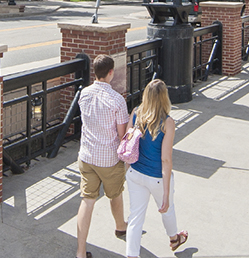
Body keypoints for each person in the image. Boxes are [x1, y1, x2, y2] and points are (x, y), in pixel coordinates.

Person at [124, 79, 186, 257]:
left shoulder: (136, 113)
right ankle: (174, 238)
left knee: (135, 217)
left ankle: (131, 254)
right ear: (164, 98)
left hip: (135, 172)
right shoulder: (168, 123)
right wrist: (166, 191)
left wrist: (128, 169)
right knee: (167, 208)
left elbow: (128, 142)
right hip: (156, 176)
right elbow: (166, 159)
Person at [76, 54, 129, 258]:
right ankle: (120, 226)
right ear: (110, 73)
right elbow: (121, 134)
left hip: (87, 155)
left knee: (87, 200)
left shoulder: (84, 94)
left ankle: (81, 252)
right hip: (108, 158)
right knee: (115, 194)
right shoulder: (117, 100)